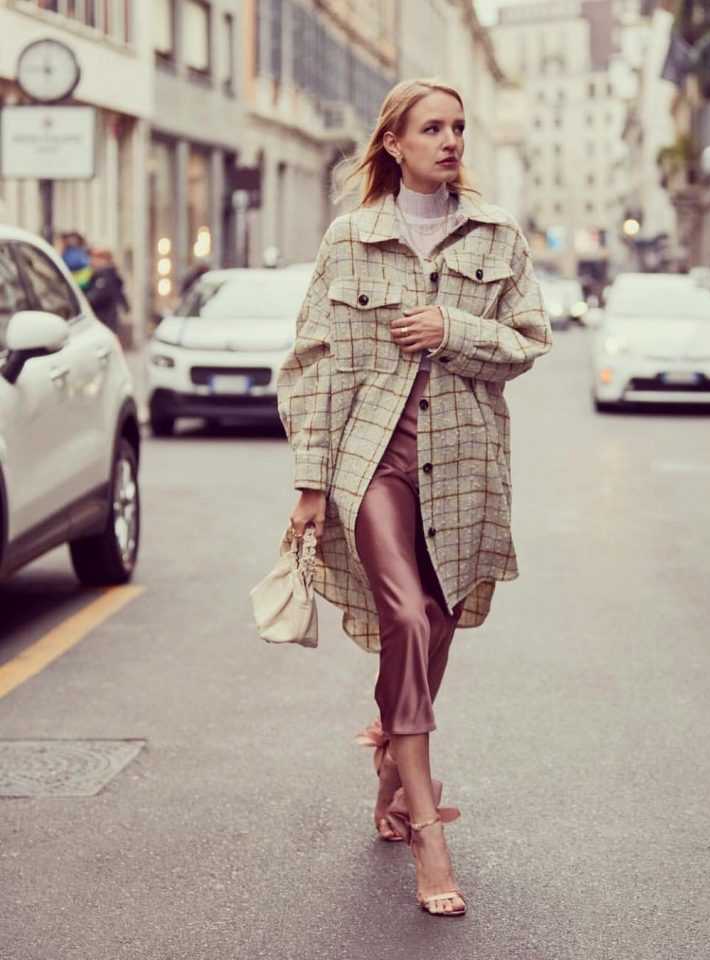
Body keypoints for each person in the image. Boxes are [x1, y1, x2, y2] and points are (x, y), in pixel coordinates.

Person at [277, 78, 552, 918]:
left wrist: (451, 329)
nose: (451, 140)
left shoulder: (497, 236)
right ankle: (430, 831)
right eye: (432, 128)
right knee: (404, 615)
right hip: (372, 461)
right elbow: (313, 365)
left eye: (458, 127)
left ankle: (393, 764)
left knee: (437, 619)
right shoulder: (350, 239)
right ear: (393, 143)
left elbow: (529, 342)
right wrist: (311, 483)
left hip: (464, 461)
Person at [85, 248, 130, 334]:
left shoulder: (106, 276)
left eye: (95, 258)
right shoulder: (105, 275)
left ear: (104, 260)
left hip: (105, 319)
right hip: (105, 319)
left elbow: (95, 297)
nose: (91, 261)